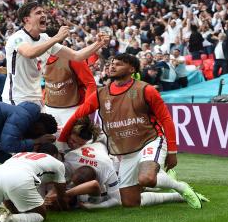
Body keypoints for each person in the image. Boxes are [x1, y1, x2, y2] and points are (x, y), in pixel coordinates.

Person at [58, 53, 202, 209]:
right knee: (130, 202)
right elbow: (76, 116)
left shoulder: (145, 90)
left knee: (146, 179)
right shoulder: (101, 94)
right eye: (112, 63)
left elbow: (166, 120)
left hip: (150, 141)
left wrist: (172, 151)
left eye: (119, 64)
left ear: (131, 69)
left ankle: (182, 187)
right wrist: (61, 141)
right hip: (127, 151)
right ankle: (175, 195)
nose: (113, 66)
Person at [52, 117, 208, 210]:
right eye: (72, 141)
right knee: (135, 190)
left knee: (130, 198)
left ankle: (175, 191)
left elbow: (115, 199)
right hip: (94, 171)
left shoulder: (102, 146)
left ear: (87, 141)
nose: (72, 144)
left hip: (112, 168)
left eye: (77, 143)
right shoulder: (60, 138)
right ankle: (165, 178)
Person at [1, 1, 108, 107]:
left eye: (43, 12)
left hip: (37, 97)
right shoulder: (17, 38)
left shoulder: (45, 39)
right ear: (26, 19)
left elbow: (77, 56)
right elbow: (29, 53)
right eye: (38, 13)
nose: (43, 15)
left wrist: (98, 43)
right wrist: (56, 38)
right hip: (16, 98)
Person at [43, 50, 96, 127]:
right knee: (52, 138)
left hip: (73, 108)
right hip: (49, 107)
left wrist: (86, 109)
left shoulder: (72, 58)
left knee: (75, 137)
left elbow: (90, 84)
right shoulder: (38, 57)